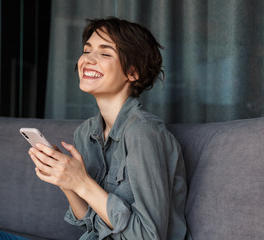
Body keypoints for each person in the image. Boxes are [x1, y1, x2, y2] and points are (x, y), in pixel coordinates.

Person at [28, 17, 190, 240]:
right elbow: (90, 225)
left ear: (133, 73)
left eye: (105, 53)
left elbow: (149, 236)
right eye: (87, 50)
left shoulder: (144, 133)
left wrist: (82, 182)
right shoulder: (85, 133)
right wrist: (65, 182)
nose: (88, 59)